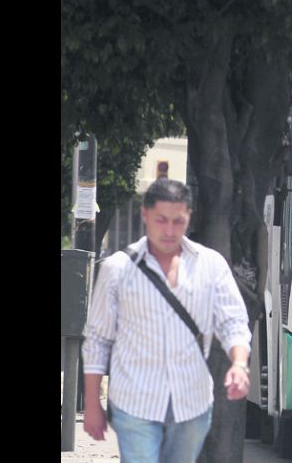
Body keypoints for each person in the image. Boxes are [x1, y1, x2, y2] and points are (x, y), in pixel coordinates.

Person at [81, 178, 252, 463]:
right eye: (161, 220)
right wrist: (91, 404)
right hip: (134, 403)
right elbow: (98, 339)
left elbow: (233, 322)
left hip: (192, 403)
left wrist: (239, 363)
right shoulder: (118, 269)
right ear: (144, 215)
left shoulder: (210, 265)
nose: (169, 231)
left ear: (189, 217)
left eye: (178, 221)